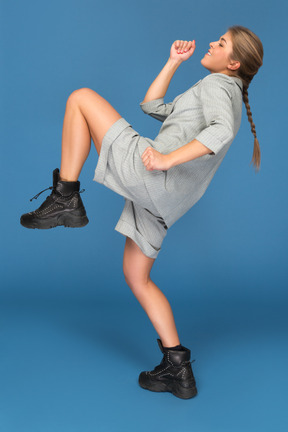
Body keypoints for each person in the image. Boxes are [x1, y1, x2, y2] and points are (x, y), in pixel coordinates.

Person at [20, 25, 264, 399]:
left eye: (222, 43)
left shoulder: (219, 87)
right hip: (167, 204)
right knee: (137, 277)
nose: (213, 43)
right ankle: (177, 371)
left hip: (154, 177)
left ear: (233, 63)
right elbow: (152, 107)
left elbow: (221, 132)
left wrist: (166, 160)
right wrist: (173, 62)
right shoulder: (217, 88)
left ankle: (66, 195)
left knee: (81, 98)